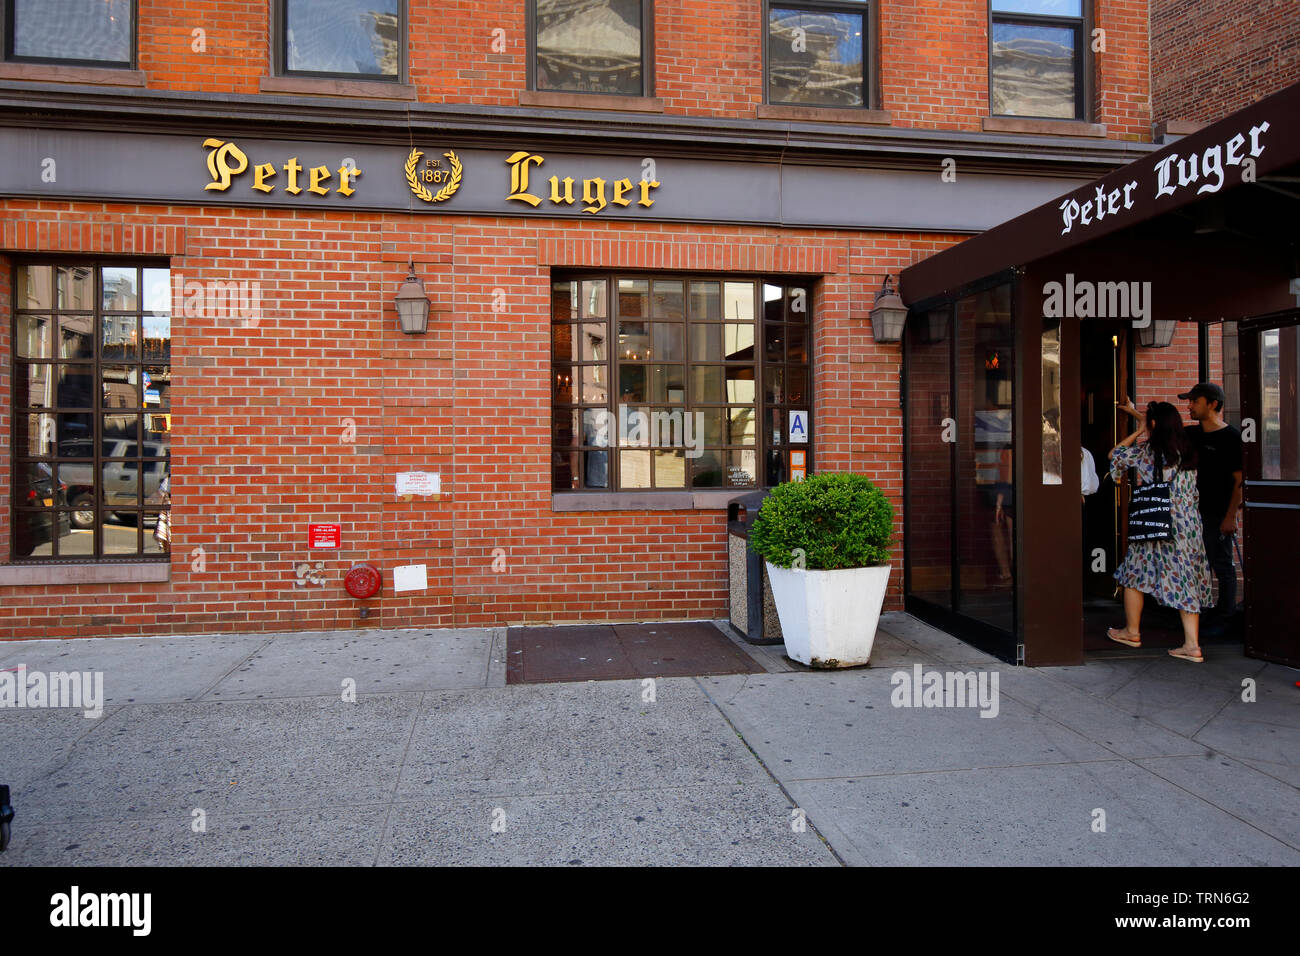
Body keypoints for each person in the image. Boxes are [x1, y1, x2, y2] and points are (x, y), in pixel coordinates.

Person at [1107, 398, 1212, 662]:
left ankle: (1131, 631)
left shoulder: (1147, 452)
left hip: (1156, 522)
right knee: (1185, 578)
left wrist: (1138, 429)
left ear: (1153, 424)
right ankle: (1192, 644)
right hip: (1188, 525)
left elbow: (1113, 455)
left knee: (1134, 574)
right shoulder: (1187, 451)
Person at [1180, 382, 1243, 623]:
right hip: (1192, 511)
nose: (1190, 406)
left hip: (1217, 512)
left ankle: (1226, 615)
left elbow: (1240, 480)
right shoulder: (1192, 434)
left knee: (1221, 562)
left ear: (1213, 404)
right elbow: (1164, 436)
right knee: (1196, 562)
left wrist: (1230, 516)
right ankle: (1203, 610)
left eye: (1195, 401)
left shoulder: (1231, 437)